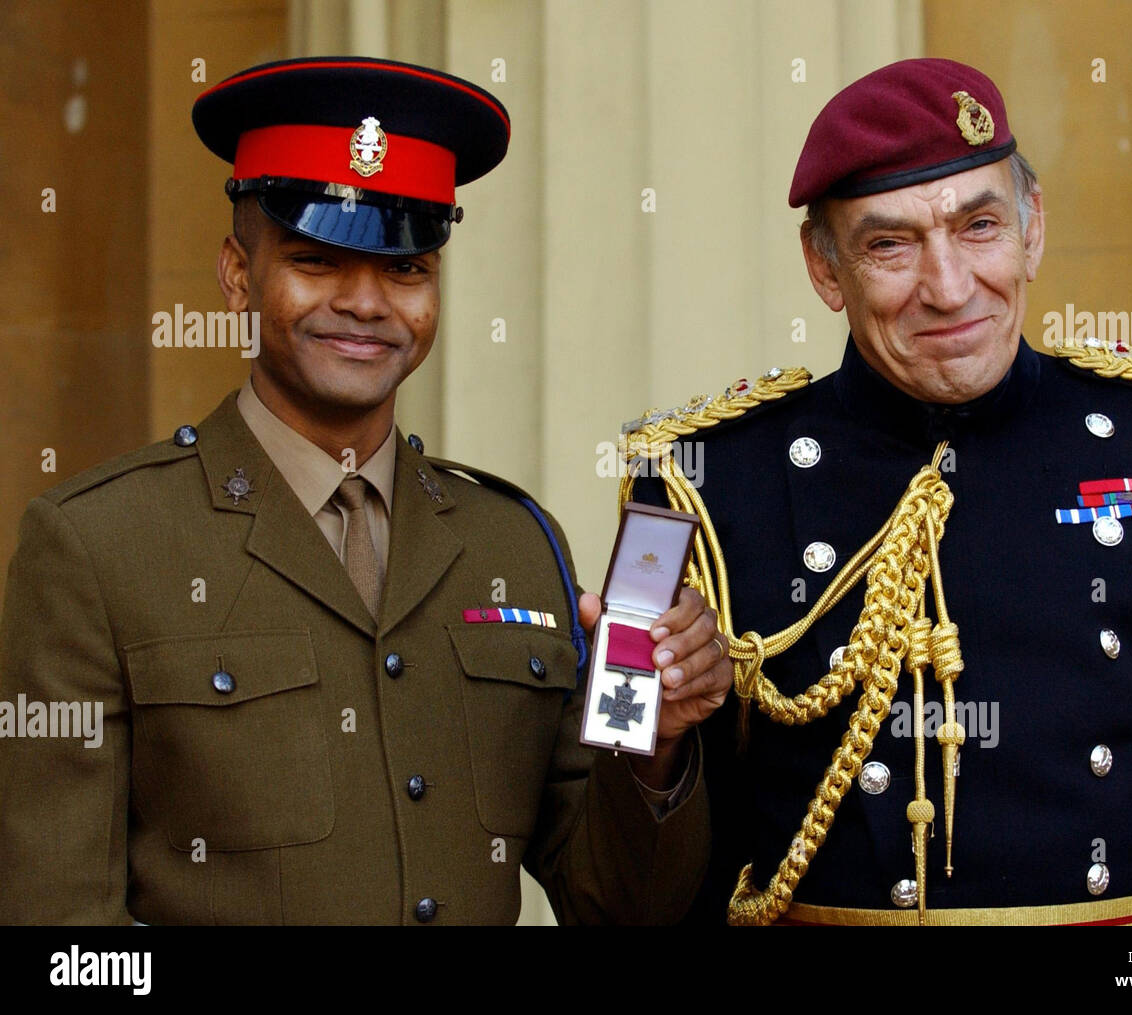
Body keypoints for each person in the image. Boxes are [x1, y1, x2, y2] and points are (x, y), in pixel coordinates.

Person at [0, 56, 730, 925]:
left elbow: (617, 903)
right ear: (238, 274)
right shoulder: (98, 545)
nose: (366, 303)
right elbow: (62, 936)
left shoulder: (515, 545)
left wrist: (657, 742)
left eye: (406, 269)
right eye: (316, 260)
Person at [624, 57, 1132, 925]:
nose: (947, 289)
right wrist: (652, 740)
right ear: (825, 270)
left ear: (1033, 228)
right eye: (890, 244)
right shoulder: (688, 485)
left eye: (980, 225)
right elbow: (637, 845)